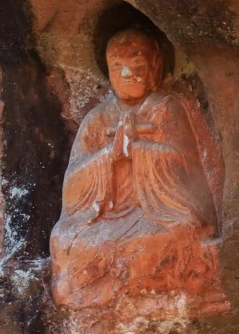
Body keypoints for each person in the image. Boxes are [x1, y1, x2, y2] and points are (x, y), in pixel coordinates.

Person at [50, 28, 219, 307]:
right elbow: (72, 184)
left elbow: (186, 168)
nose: (126, 74)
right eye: (117, 67)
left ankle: (142, 289)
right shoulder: (97, 119)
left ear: (155, 67)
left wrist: (138, 150)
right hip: (106, 216)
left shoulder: (166, 109)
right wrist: (110, 155)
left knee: (168, 238)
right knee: (64, 239)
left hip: (156, 213)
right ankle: (102, 293)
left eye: (137, 64)